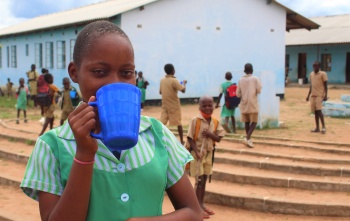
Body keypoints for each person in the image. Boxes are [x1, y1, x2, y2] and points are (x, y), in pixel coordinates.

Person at [21, 20, 201, 221]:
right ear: (74, 72)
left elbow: (193, 213)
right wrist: (84, 155)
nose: (115, 83)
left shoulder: (158, 135)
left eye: (126, 73)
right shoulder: (52, 147)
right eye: (100, 72)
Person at [187, 95, 225, 219]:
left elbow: (219, 138)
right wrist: (197, 153)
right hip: (197, 155)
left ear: (214, 106)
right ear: (199, 106)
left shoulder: (215, 121)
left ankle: (201, 204)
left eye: (210, 105)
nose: (207, 108)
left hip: (208, 155)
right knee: (198, 182)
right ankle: (196, 208)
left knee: (203, 181)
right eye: (204, 105)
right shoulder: (195, 120)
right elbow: (190, 138)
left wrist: (210, 134)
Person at [159, 63, 187, 144]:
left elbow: (160, 92)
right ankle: (181, 140)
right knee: (178, 123)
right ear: (173, 71)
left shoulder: (162, 80)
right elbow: (183, 90)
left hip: (165, 105)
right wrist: (184, 83)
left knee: (162, 123)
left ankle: (160, 139)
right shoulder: (174, 80)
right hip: (174, 105)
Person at [236, 63, 262, 148]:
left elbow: (238, 94)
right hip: (253, 103)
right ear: (252, 70)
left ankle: (248, 139)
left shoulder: (240, 80)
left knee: (246, 122)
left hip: (244, 103)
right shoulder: (255, 79)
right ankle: (247, 138)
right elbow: (259, 90)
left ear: (244, 70)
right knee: (254, 122)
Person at [306, 61, 328, 134]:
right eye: (314, 66)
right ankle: (317, 128)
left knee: (319, 111)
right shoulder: (311, 74)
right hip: (313, 95)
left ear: (319, 66)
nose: (315, 67)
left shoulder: (323, 74)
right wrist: (308, 95)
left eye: (316, 66)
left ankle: (323, 127)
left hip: (319, 95)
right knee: (315, 111)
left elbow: (325, 85)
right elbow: (311, 85)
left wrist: (325, 95)